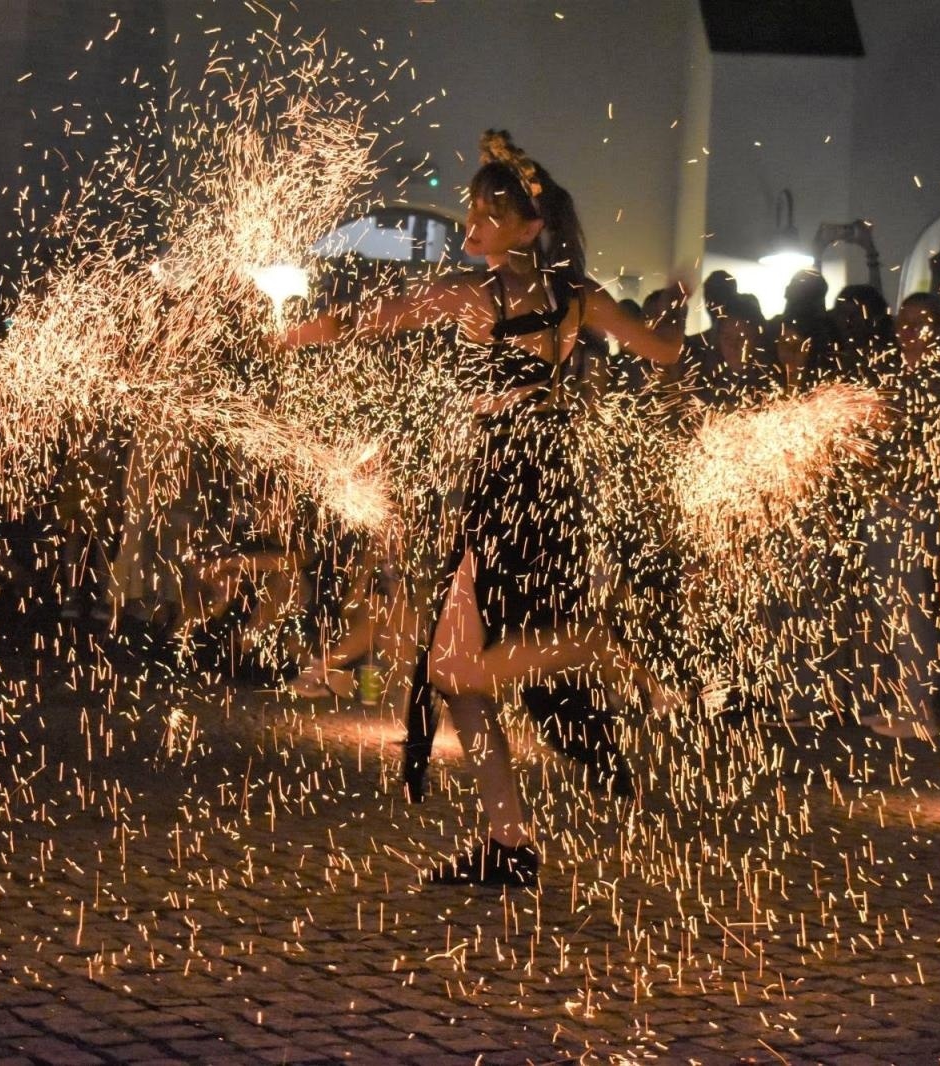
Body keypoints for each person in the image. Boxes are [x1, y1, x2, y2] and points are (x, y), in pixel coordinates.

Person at [282, 131, 678, 887]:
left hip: (514, 482)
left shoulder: (480, 297)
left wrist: (288, 334)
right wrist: (669, 325)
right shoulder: (577, 300)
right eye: (471, 213)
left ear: (531, 228)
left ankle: (591, 644)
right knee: (453, 674)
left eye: (487, 217)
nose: (470, 230)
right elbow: (662, 354)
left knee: (459, 667)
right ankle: (509, 839)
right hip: (529, 479)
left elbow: (377, 315)